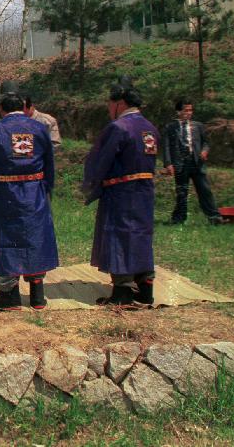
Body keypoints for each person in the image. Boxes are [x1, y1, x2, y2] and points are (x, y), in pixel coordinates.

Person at [0, 88, 58, 310]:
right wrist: (46, 190)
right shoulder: (40, 129)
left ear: (1, 109)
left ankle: (10, 297)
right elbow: (50, 164)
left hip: (5, 196)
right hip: (35, 195)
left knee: (6, 241)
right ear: (23, 107)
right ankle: (37, 296)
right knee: (35, 239)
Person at [82, 78, 159, 307]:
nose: (109, 108)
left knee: (120, 236)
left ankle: (123, 290)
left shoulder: (119, 128)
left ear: (120, 104)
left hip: (121, 192)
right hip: (144, 192)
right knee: (141, 236)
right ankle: (145, 288)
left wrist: (91, 183)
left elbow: (100, 160)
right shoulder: (150, 128)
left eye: (110, 103)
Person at [162, 98, 225, 225]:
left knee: (204, 190)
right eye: (186, 110)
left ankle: (214, 217)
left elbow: (206, 142)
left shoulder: (198, 126)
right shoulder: (171, 127)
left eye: (191, 110)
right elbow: (166, 146)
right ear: (178, 111)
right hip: (180, 163)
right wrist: (168, 163)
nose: (189, 113)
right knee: (182, 191)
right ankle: (179, 219)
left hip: (197, 162)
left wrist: (204, 151)